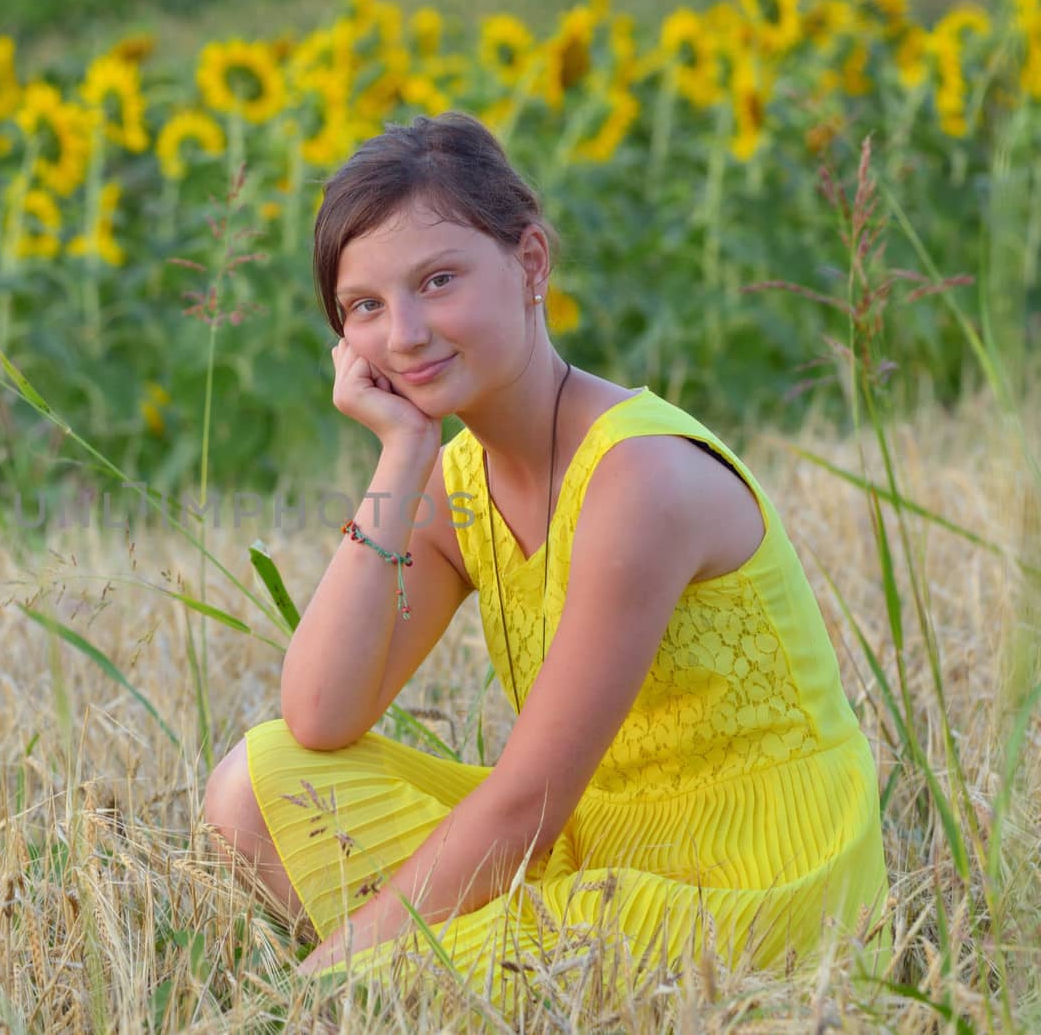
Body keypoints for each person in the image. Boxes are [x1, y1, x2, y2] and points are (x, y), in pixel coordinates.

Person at [201, 111, 889, 1008]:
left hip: (752, 870)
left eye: (437, 280)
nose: (403, 334)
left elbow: (527, 804)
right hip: (596, 839)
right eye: (364, 306)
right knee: (256, 788)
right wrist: (401, 456)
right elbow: (322, 713)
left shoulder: (640, 476)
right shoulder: (453, 482)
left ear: (530, 264)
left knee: (391, 983)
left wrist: (319, 986)